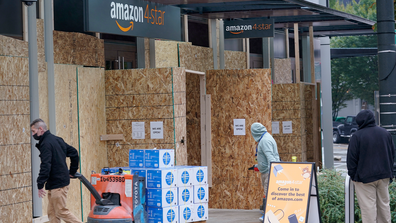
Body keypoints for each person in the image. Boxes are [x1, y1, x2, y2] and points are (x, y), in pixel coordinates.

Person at [347, 110, 395, 223]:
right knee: (384, 206)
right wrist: (390, 171)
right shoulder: (385, 133)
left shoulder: (357, 136)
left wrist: (353, 175)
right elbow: (392, 154)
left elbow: (351, 159)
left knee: (368, 209)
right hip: (384, 176)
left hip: (364, 178)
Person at [30, 118, 82, 223]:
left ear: (41, 129)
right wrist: (72, 171)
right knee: (52, 213)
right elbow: (74, 153)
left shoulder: (46, 144)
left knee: (61, 211)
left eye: (33, 131)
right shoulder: (57, 140)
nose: (32, 135)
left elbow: (46, 165)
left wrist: (40, 183)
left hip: (58, 184)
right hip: (55, 183)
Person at [251, 123, 280, 201]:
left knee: (269, 196)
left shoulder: (265, 140)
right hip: (267, 171)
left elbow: (270, 157)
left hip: (268, 173)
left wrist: (271, 173)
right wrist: (259, 165)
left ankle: (269, 212)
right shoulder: (266, 137)